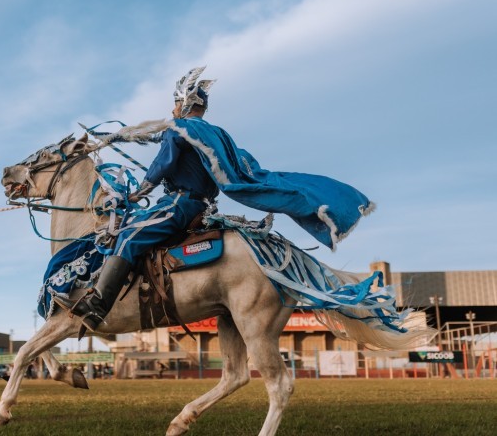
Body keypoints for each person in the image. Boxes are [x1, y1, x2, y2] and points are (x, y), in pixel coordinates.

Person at [55, 66, 374, 333]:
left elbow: (162, 163)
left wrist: (141, 190)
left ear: (181, 102)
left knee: (128, 235)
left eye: (173, 104)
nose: (170, 110)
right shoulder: (214, 133)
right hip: (200, 205)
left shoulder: (179, 128)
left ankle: (98, 305)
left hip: (180, 205)